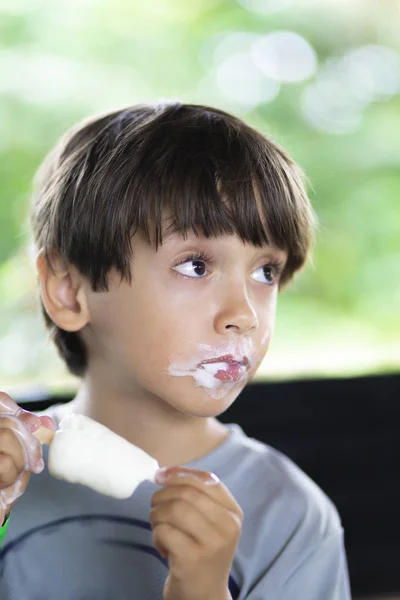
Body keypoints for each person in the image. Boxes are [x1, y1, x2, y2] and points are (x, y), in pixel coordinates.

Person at [0, 102, 351, 599]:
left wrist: (203, 591)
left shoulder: (290, 515)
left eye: (265, 271)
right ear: (69, 291)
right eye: (196, 266)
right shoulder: (11, 476)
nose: (245, 313)